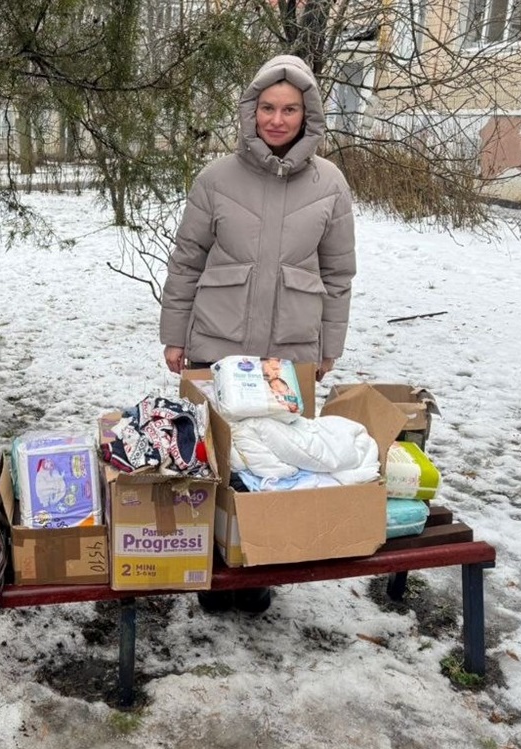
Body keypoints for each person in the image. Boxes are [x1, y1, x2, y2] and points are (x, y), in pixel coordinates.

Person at [159, 55, 357, 614]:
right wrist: (175, 334)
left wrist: (328, 348)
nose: (276, 119)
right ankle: (212, 572)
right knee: (215, 460)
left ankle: (260, 568)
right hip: (217, 342)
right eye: (267, 107)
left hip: (289, 350)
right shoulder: (215, 179)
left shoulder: (330, 184)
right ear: (251, 110)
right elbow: (187, 260)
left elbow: (338, 274)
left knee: (275, 465)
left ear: (307, 114)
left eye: (289, 109)